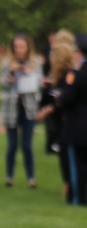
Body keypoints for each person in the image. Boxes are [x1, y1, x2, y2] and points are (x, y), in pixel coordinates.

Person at [0, 33, 42, 188]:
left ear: (28, 47)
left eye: (22, 47)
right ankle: (9, 176)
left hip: (29, 108)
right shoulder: (6, 63)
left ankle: (31, 177)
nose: (19, 50)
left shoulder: (35, 63)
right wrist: (10, 72)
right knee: (12, 145)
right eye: (16, 47)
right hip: (11, 108)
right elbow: (3, 85)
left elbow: (40, 84)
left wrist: (31, 74)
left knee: (27, 145)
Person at [38, 32, 75, 195]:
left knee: (69, 154)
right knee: (63, 153)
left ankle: (71, 184)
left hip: (69, 122)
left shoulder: (70, 77)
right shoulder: (56, 77)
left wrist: (49, 109)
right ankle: (69, 182)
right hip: (59, 122)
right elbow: (48, 97)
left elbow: (65, 99)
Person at [53, 33, 87, 206]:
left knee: (76, 165)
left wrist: (58, 99)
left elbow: (66, 98)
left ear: (79, 52)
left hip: (76, 126)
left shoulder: (76, 73)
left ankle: (77, 198)